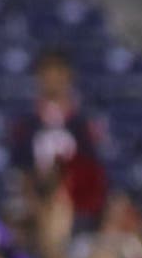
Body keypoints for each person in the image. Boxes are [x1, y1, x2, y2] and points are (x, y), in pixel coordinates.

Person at [10, 50, 108, 224]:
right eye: (47, 73)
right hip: (36, 199)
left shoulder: (81, 124)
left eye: (58, 73)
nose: (52, 79)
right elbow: (20, 167)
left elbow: (91, 168)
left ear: (69, 76)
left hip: (75, 201)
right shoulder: (27, 124)